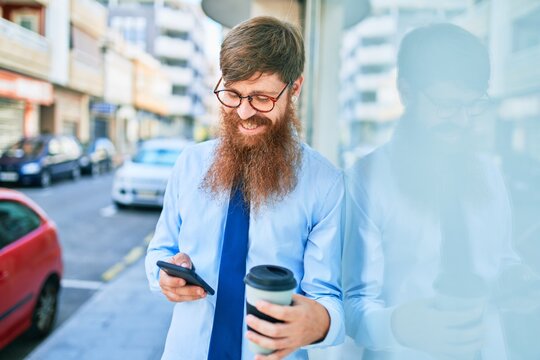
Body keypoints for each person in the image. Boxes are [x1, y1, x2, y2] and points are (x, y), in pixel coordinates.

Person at [145, 16, 344, 360]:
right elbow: (160, 250)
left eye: (261, 98)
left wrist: (322, 323)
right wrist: (163, 275)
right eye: (233, 94)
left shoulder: (325, 184)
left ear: (294, 88)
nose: (243, 112)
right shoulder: (189, 164)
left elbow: (329, 294)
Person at [343, 23, 533, 359]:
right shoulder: (366, 179)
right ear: (407, 92)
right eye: (447, 104)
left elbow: (501, 260)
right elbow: (348, 305)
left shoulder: (489, 175)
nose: (461, 120)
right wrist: (398, 325)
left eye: (473, 105)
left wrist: (518, 280)